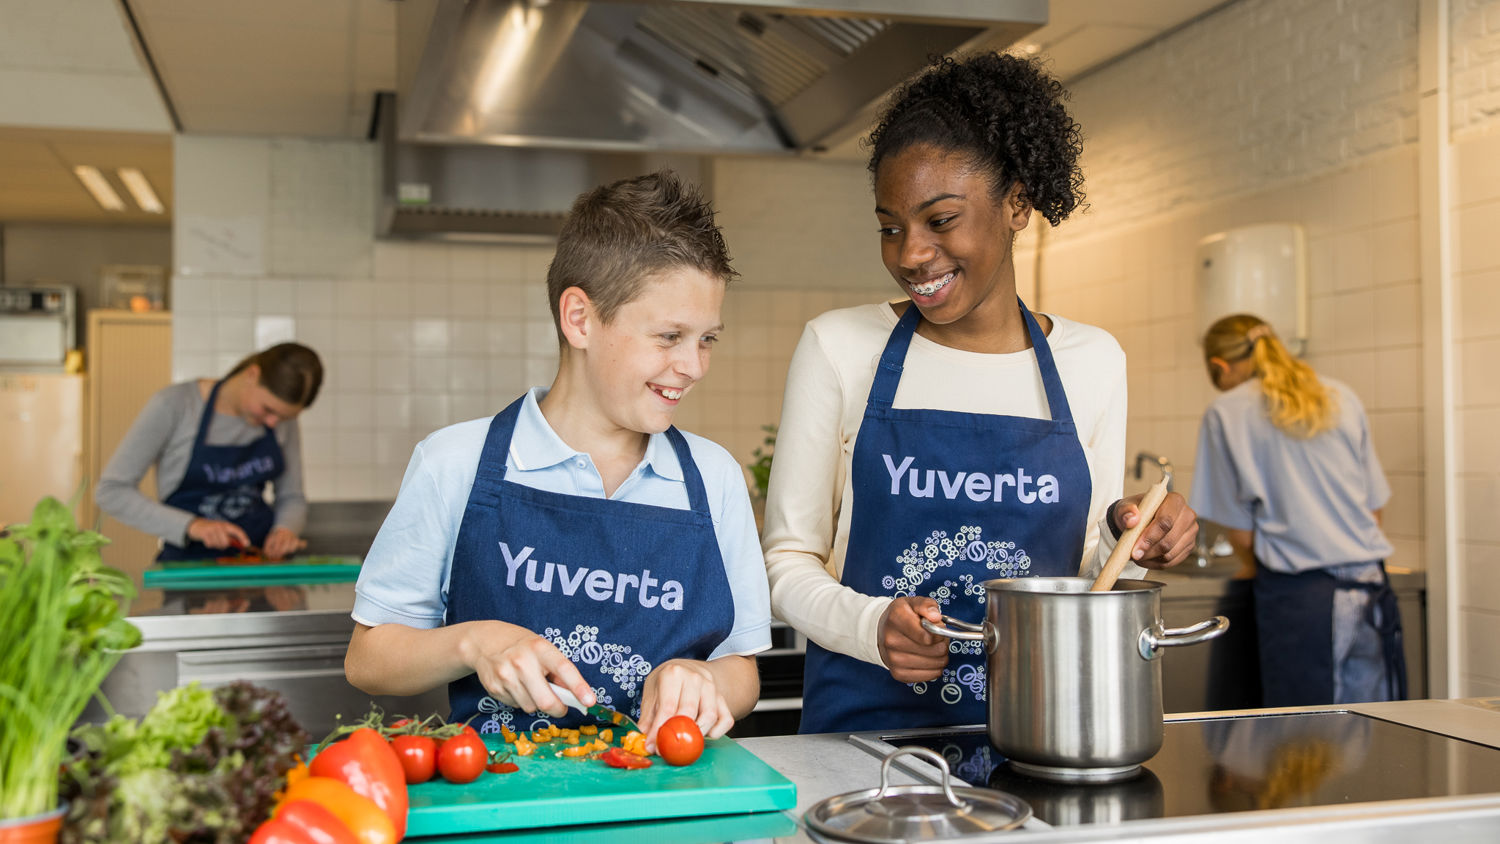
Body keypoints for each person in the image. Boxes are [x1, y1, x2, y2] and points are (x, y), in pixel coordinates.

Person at [761, 51, 1198, 735]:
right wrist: (874, 624)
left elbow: (1088, 568)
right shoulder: (839, 348)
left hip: (1041, 734)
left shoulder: (1092, 362)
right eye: (890, 227)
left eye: (940, 220)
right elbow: (787, 561)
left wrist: (1129, 535)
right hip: (865, 743)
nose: (909, 253)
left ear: (1017, 204)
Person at [345, 171, 771, 746]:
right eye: (670, 336)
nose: (694, 366)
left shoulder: (713, 477)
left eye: (707, 339)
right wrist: (476, 642)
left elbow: (741, 671)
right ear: (580, 319)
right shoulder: (456, 462)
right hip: (505, 804)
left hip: (663, 805)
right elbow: (369, 660)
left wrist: (704, 676)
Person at [1191, 314, 1406, 706]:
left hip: (1301, 600)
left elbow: (1239, 532)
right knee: (1379, 735)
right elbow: (1374, 510)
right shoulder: (1340, 395)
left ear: (1220, 367)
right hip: (1372, 589)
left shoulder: (1226, 412)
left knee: (1305, 748)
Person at [97, 342, 322, 563]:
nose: (274, 422)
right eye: (268, 410)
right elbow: (111, 491)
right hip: (188, 568)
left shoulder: (281, 422)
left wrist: (285, 529)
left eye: (285, 417)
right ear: (252, 374)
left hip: (259, 565)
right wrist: (192, 525)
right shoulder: (174, 405)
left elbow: (291, 496)